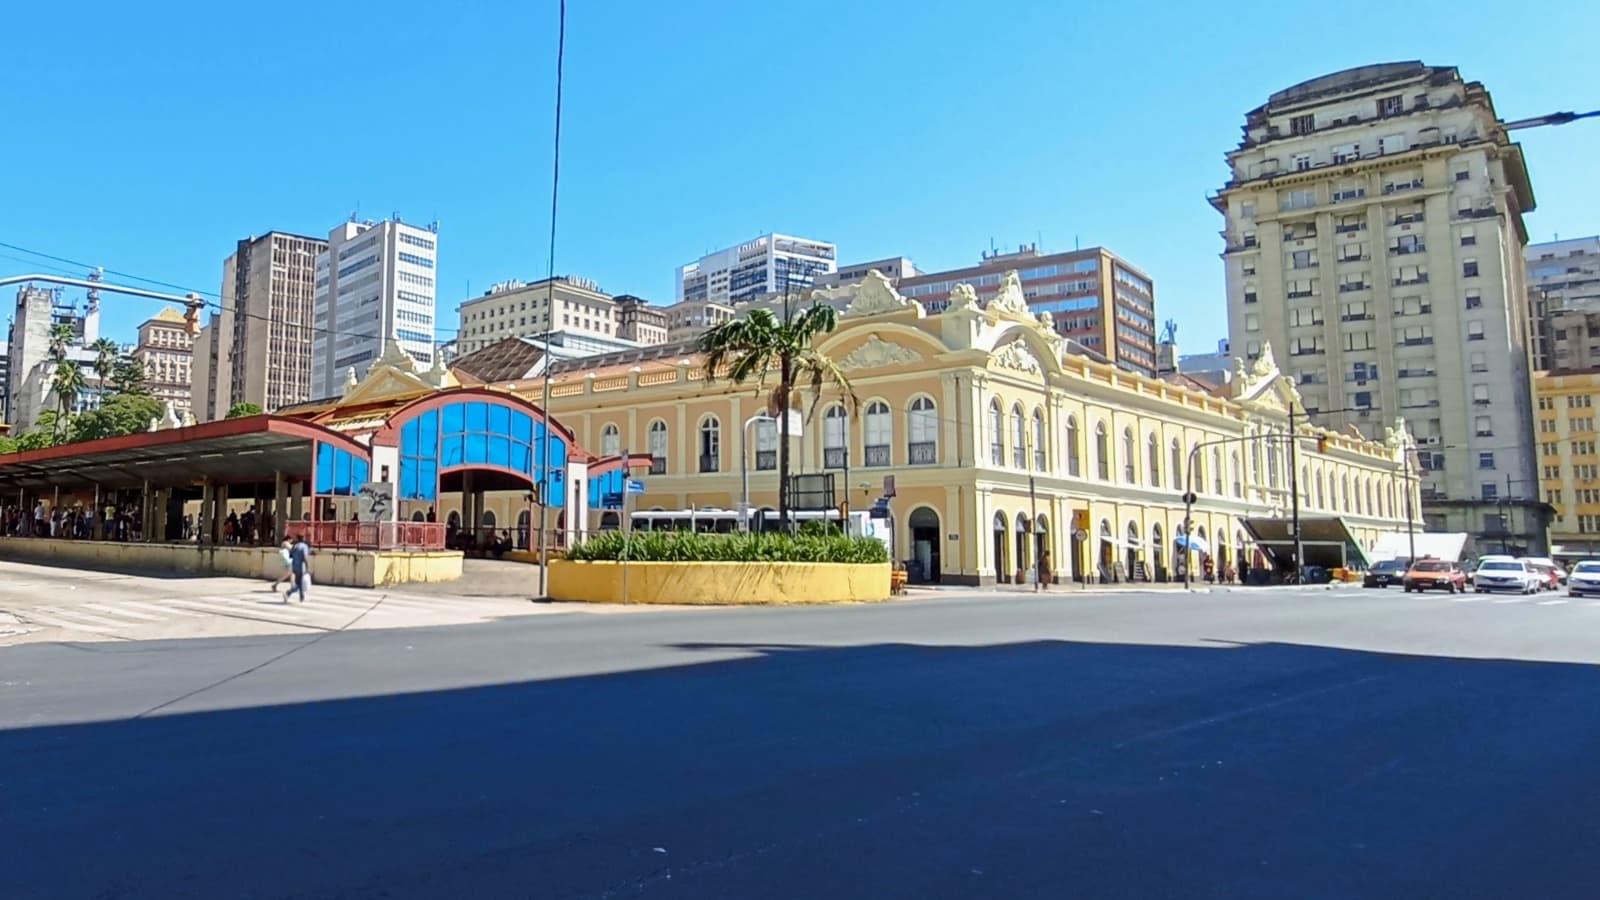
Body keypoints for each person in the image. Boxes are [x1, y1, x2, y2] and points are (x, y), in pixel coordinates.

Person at [284, 533, 311, 602]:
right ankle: (289, 592)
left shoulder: (295, 546)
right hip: (301, 567)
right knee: (299, 583)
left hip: (295, 566)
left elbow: (290, 555)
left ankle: (301, 597)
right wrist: (308, 567)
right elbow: (305, 557)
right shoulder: (304, 546)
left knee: (299, 582)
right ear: (303, 538)